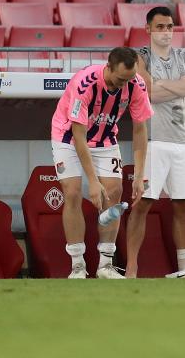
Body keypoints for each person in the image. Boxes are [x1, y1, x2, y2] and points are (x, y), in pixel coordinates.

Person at [51, 47, 153, 279]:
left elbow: (139, 130)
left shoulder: (136, 84)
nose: (124, 84)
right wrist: (93, 181)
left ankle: (105, 265)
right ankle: (77, 266)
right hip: (68, 137)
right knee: (73, 193)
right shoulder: (84, 83)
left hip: (105, 137)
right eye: (120, 79)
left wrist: (139, 175)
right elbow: (79, 136)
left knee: (115, 192)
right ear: (108, 67)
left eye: (129, 79)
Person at [124, 7, 185, 279]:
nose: (166, 32)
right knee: (143, 203)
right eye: (160, 26)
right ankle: (132, 268)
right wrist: (178, 84)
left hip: (184, 140)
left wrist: (163, 85)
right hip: (152, 139)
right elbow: (149, 93)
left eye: (169, 26)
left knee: (183, 205)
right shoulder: (140, 56)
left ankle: (184, 267)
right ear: (148, 29)